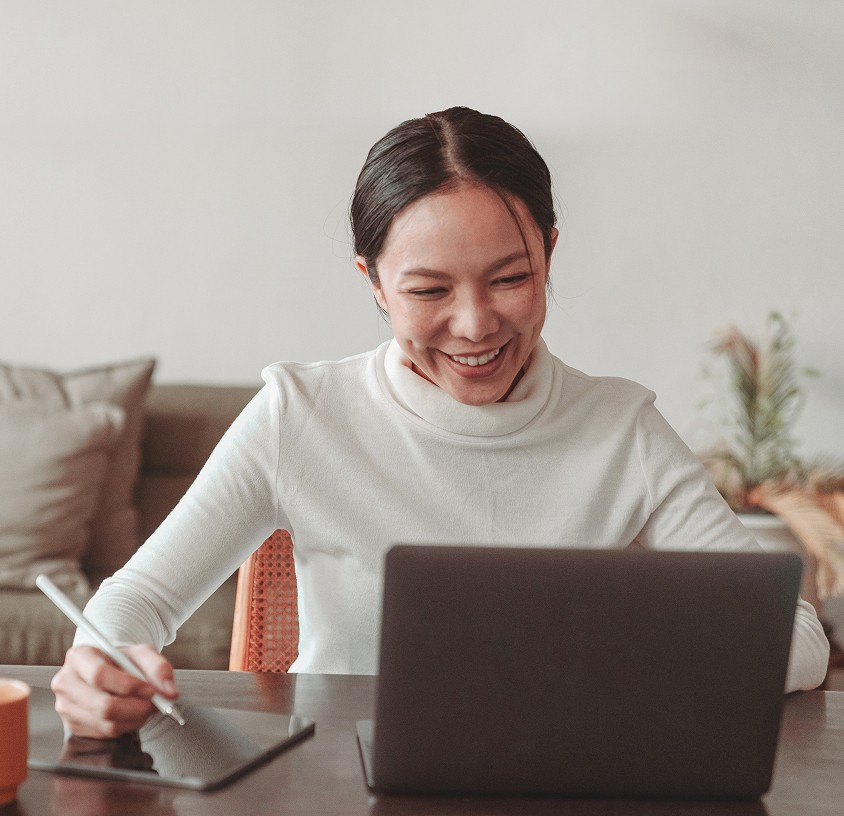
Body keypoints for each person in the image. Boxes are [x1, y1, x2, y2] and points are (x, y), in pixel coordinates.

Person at [52, 106, 830, 738]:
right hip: (337, 779)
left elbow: (798, 637)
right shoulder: (301, 415)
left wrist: (639, 657)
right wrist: (101, 663)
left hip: (563, 779)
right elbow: (136, 601)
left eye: (512, 278)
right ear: (375, 284)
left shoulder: (621, 428)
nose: (474, 325)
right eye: (428, 291)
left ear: (550, 255)